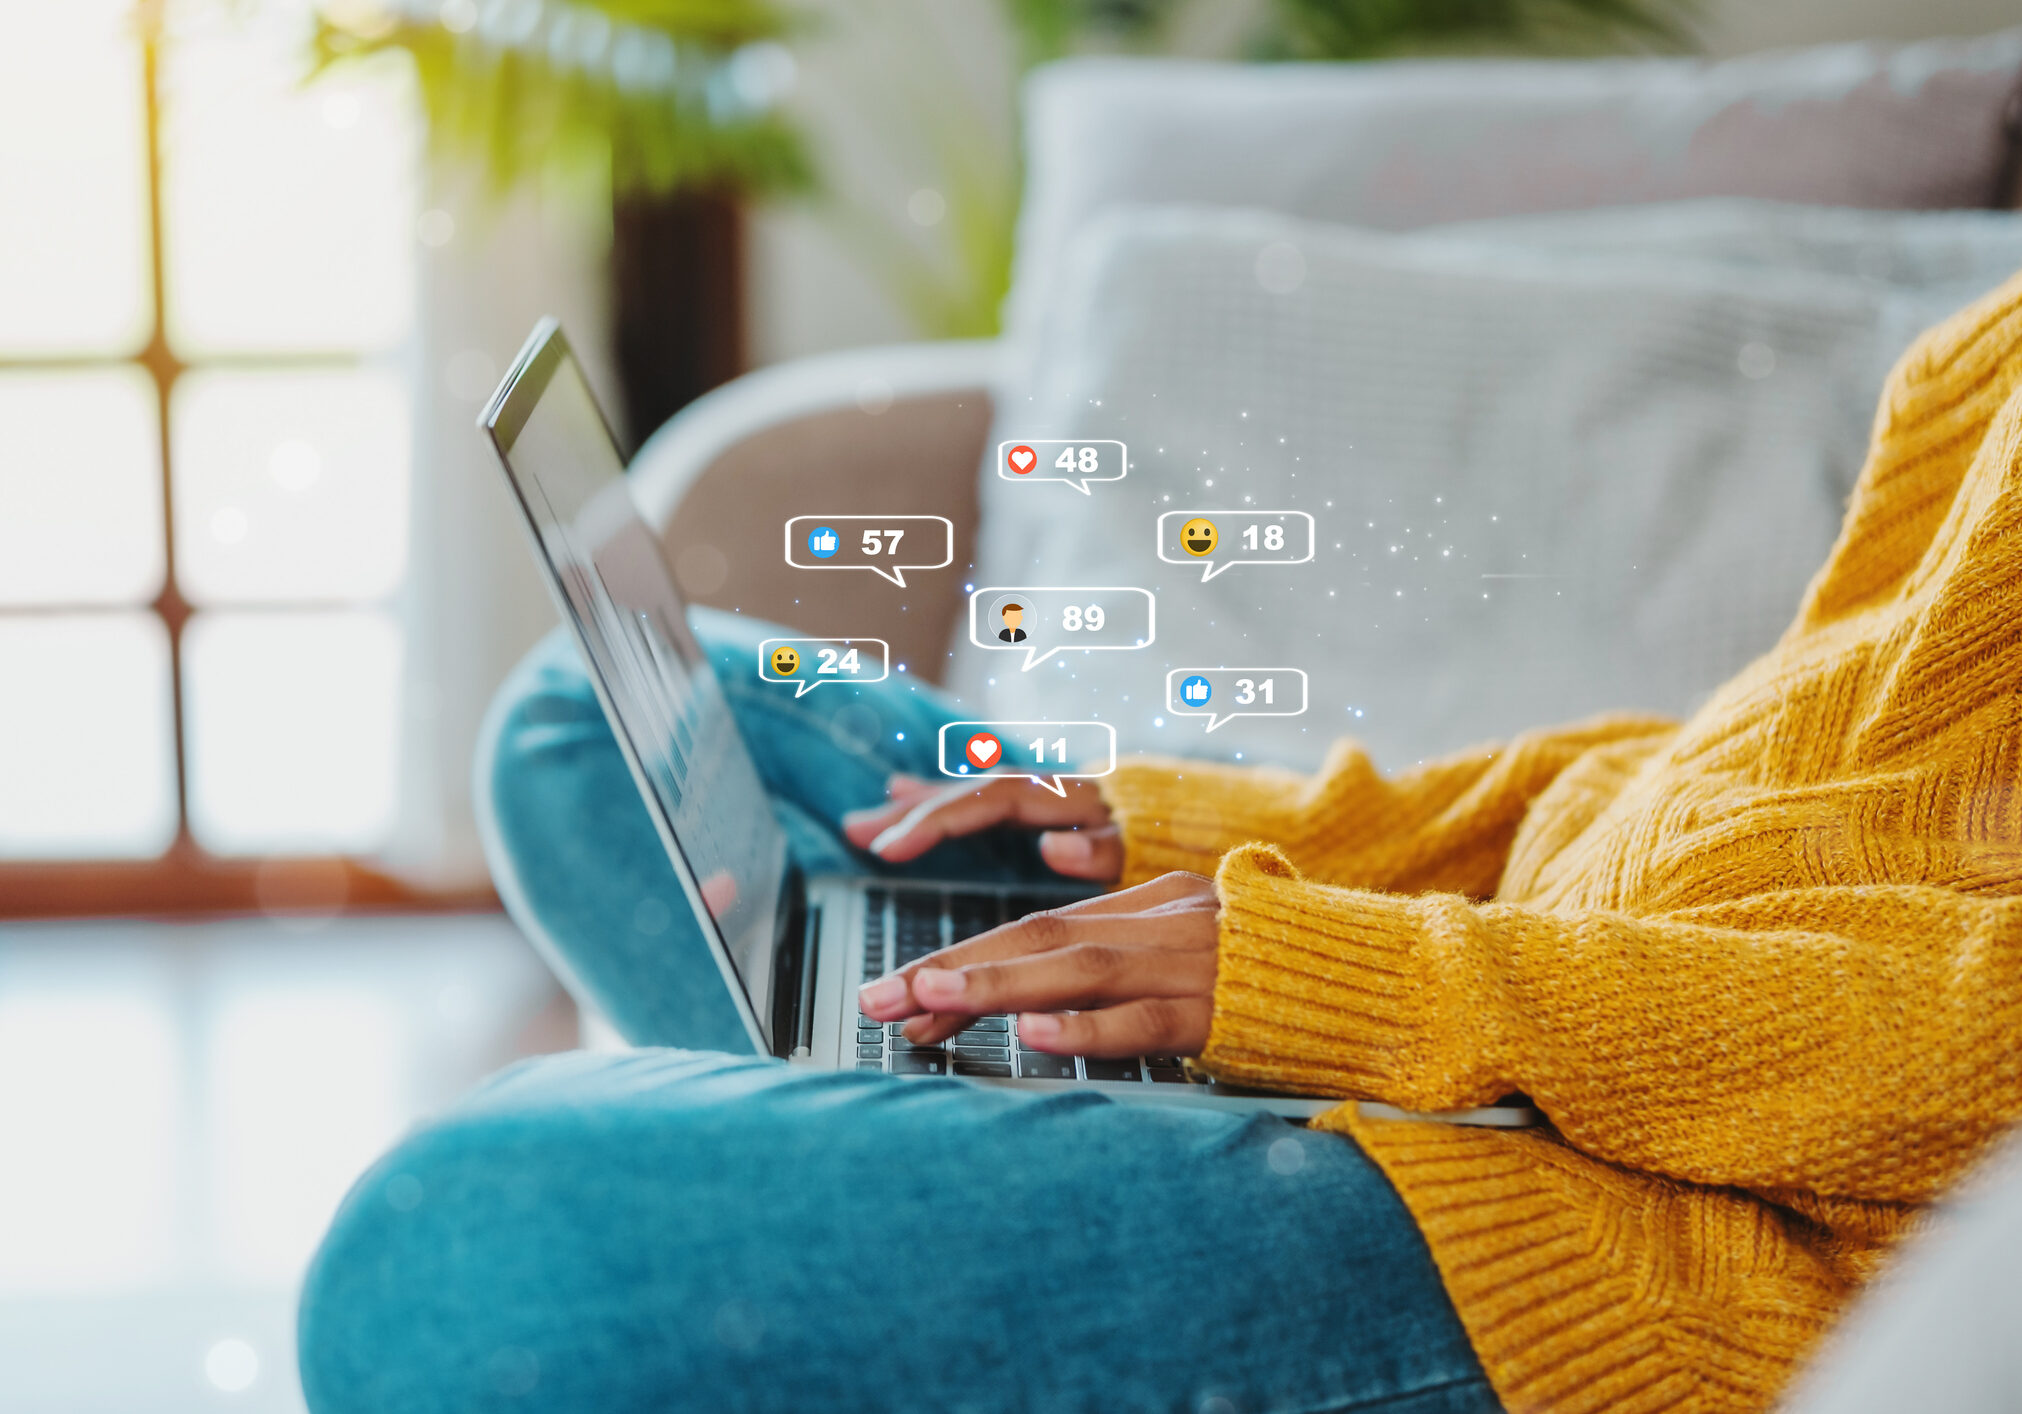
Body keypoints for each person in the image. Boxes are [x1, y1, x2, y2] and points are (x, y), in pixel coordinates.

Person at [298, 278, 2022, 1414]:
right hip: (1529, 987)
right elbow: (1743, 765)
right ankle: (893, 1162)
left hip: (1654, 1216)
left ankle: (875, 1167)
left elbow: (1978, 1058)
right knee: (578, 719)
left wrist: (1321, 978)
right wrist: (1204, 836)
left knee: (455, 1244)